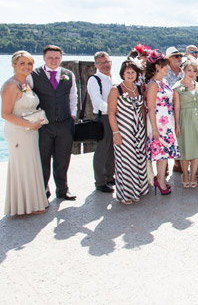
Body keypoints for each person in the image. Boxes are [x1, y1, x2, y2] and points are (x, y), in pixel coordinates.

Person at [28, 45, 77, 201]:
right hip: (44, 125)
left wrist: (72, 116)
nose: (53, 60)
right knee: (43, 159)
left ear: (61, 58)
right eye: (50, 57)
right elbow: (29, 99)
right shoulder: (33, 75)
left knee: (63, 159)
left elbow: (72, 96)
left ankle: (63, 189)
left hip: (64, 123)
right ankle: (43, 190)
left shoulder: (68, 74)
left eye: (57, 57)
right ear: (44, 58)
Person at [2, 51, 49, 215]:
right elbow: (5, 114)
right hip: (18, 132)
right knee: (21, 166)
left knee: (31, 164)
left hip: (31, 130)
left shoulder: (26, 84)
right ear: (13, 65)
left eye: (29, 63)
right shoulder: (10, 85)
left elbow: (26, 106)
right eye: (21, 63)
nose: (26, 67)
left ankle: (33, 204)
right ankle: (21, 206)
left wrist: (37, 116)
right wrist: (29, 123)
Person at [107, 59, 149, 204]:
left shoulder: (139, 88)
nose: (130, 75)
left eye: (133, 72)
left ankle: (139, 189)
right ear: (122, 74)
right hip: (124, 130)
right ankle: (126, 194)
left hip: (139, 129)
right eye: (128, 72)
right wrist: (116, 133)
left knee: (139, 159)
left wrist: (144, 128)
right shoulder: (115, 90)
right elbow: (111, 113)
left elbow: (143, 108)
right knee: (125, 161)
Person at [173, 58, 198, 188]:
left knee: (197, 147)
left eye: (194, 71)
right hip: (184, 118)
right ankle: (185, 174)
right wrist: (177, 124)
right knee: (186, 147)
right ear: (184, 70)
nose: (192, 73)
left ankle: (193, 175)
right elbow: (177, 107)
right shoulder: (177, 87)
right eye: (189, 70)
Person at [145, 49, 180, 195]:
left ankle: (160, 179)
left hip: (167, 122)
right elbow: (151, 108)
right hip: (158, 122)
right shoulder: (153, 84)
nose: (167, 67)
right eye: (164, 65)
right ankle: (159, 181)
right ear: (156, 67)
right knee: (160, 153)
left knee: (164, 153)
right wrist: (154, 128)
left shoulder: (164, 82)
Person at [87, 51, 120, 194]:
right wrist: (112, 110)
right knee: (102, 150)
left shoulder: (115, 78)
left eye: (106, 62)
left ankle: (109, 176)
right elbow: (97, 101)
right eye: (101, 63)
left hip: (117, 116)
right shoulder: (94, 79)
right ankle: (100, 181)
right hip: (104, 118)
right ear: (96, 65)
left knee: (113, 149)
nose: (105, 65)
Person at [165, 46, 184, 173]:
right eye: (176, 56)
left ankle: (178, 163)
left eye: (180, 56)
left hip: (182, 108)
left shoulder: (184, 73)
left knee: (179, 135)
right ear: (169, 59)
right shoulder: (164, 73)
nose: (179, 58)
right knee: (168, 136)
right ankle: (165, 165)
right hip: (167, 109)